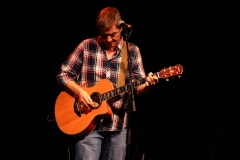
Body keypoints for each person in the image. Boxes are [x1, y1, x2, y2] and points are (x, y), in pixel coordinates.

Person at [56, 6, 159, 160]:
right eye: (105, 36)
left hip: (117, 127)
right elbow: (62, 74)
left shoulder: (131, 51)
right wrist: (80, 92)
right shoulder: (86, 46)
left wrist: (149, 85)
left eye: (113, 35)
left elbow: (138, 89)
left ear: (121, 27)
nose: (109, 39)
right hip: (87, 125)